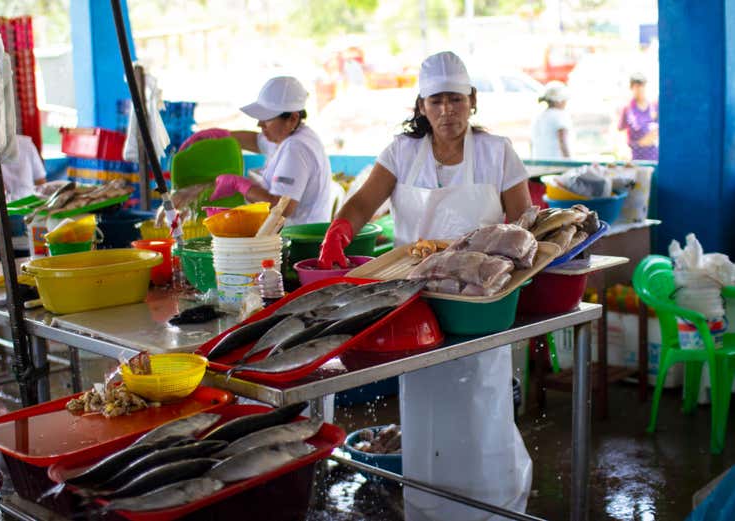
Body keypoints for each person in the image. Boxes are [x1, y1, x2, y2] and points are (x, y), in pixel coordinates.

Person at [318, 51, 532, 521]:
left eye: (456, 99)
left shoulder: (497, 152)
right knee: (426, 405)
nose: (446, 112)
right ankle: (430, 508)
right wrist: (340, 233)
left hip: (480, 302)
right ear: (421, 105)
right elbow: (362, 204)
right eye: (436, 101)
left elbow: (524, 225)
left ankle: (492, 506)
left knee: (482, 403)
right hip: (417, 302)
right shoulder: (402, 152)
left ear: (472, 101)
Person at [206, 76, 333, 226]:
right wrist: (221, 136)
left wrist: (240, 185)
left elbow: (282, 207)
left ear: (292, 118)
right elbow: (256, 141)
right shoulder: (289, 134)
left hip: (299, 241)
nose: (260, 124)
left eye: (267, 118)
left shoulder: (296, 149)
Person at [618, 72, 658, 160]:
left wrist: (653, 135)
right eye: (637, 86)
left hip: (654, 156)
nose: (640, 89)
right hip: (636, 158)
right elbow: (620, 132)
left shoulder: (654, 107)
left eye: (642, 86)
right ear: (632, 88)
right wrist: (638, 144)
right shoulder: (627, 109)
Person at [530, 80, 572, 159]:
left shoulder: (538, 117)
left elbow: (531, 143)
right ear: (559, 101)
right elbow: (562, 140)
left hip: (540, 163)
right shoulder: (560, 115)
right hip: (557, 164)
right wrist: (569, 162)